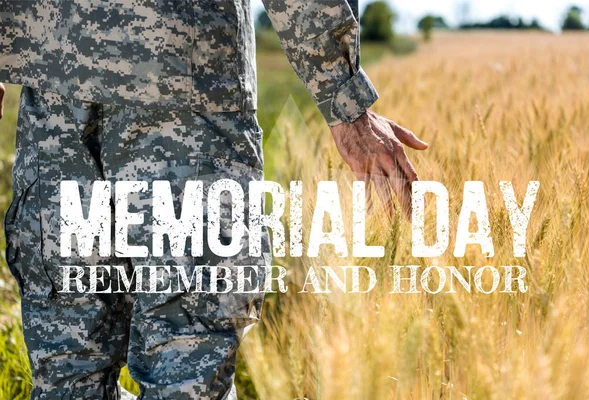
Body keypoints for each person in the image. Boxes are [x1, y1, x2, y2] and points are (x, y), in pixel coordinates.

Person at [0, 1, 427, 399]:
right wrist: (344, 97)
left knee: (68, 369)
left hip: (56, 95)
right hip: (185, 81)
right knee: (183, 366)